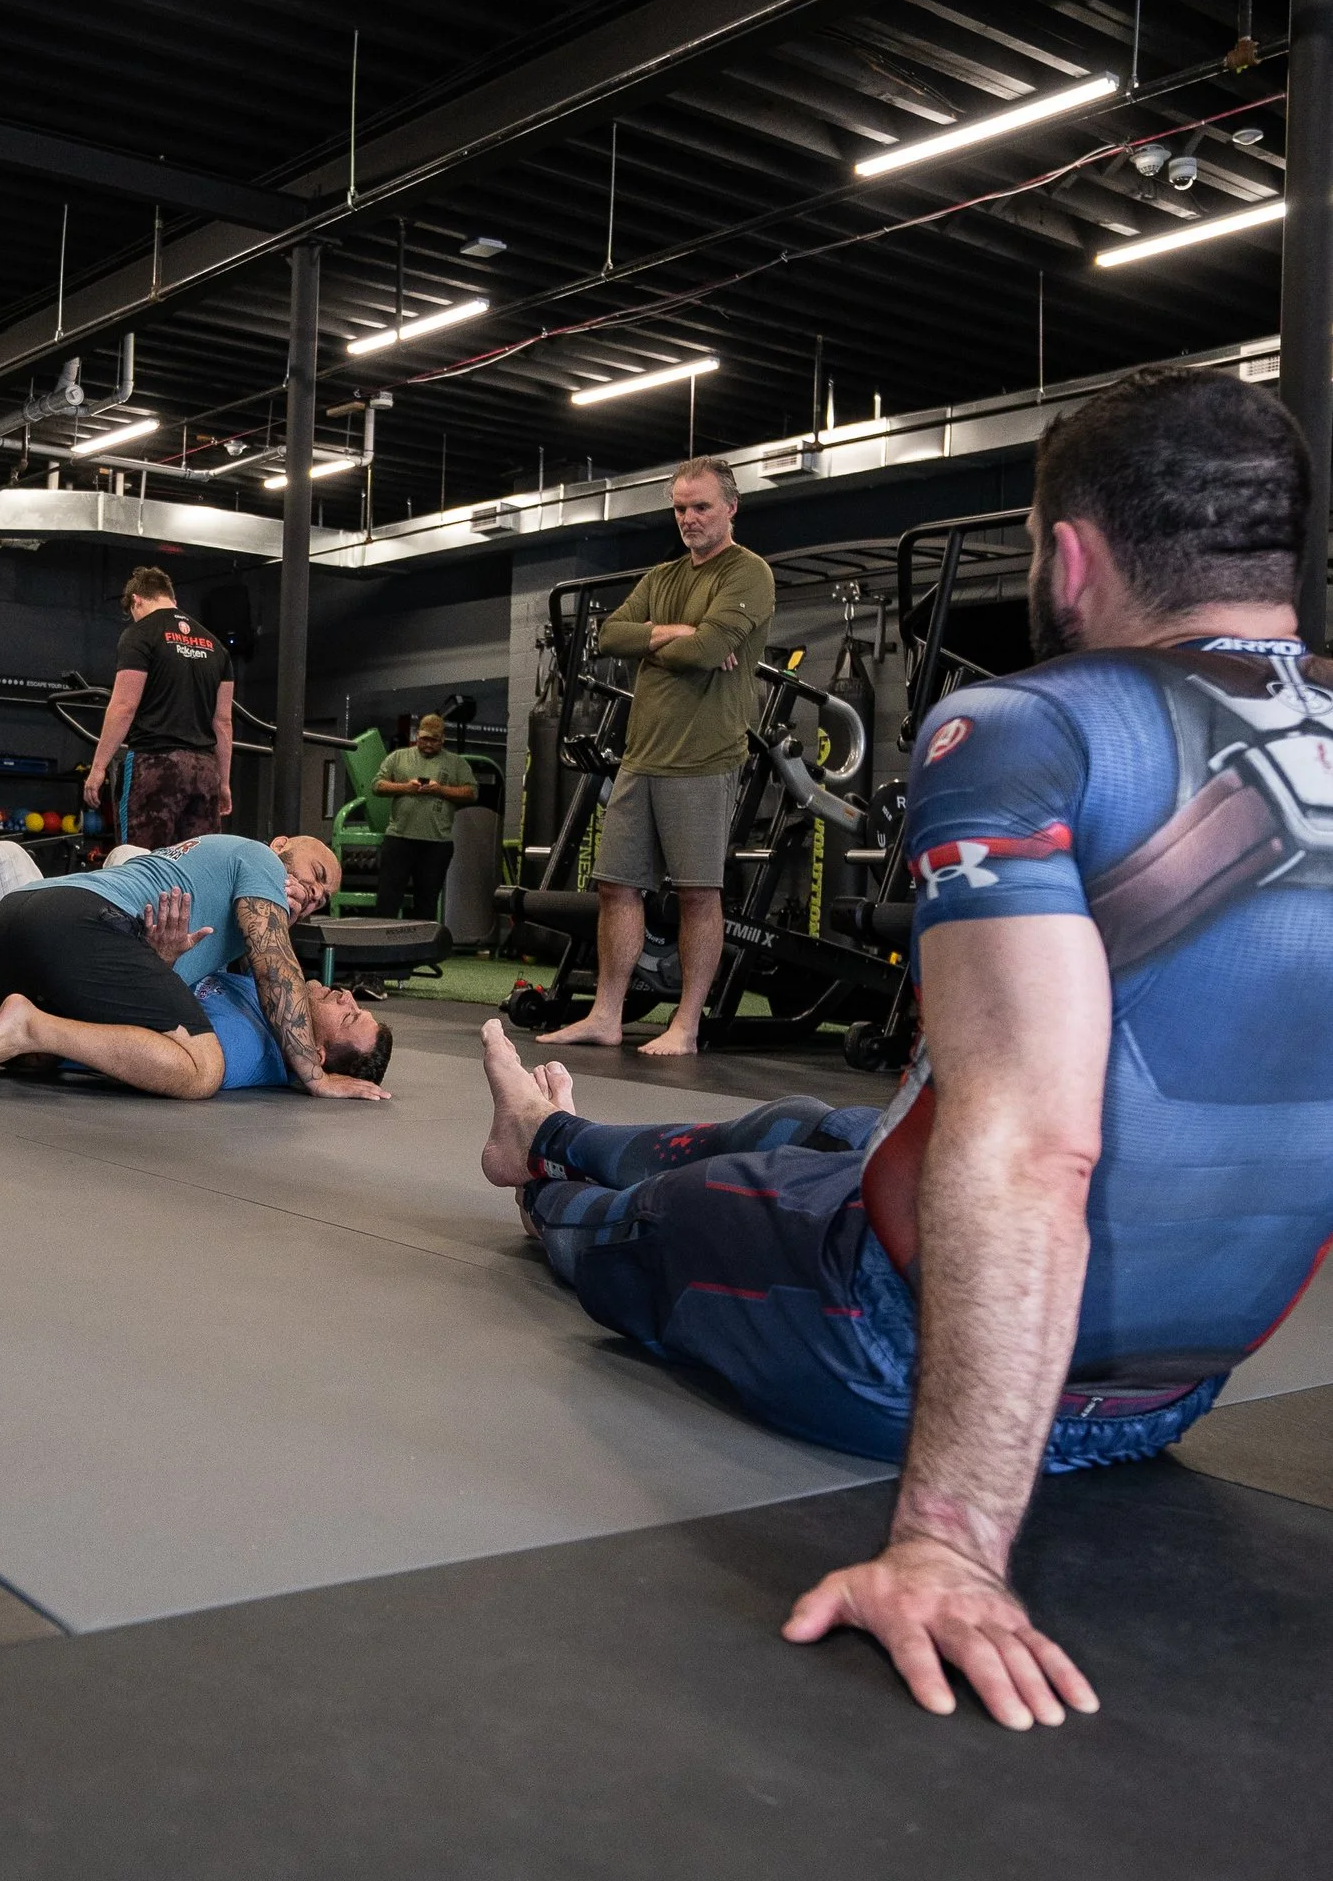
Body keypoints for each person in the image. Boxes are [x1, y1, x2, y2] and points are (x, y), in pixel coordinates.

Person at [475, 364, 1333, 1731]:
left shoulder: (1030, 727)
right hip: (1173, 1398)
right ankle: (556, 1122)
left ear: (1066, 555)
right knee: (804, 1125)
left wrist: (951, 1540)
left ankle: (546, 1161)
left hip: (898, 1349)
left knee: (633, 1225)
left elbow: (1034, 1146)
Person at [543, 457, 774, 1063]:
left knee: (698, 892)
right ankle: (607, 1015)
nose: (689, 518)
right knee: (616, 886)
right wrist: (676, 633)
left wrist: (671, 641)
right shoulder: (664, 574)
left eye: (700, 506)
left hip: (704, 757)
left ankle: (686, 1025)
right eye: (679, 507)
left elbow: (709, 652)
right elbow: (610, 636)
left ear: (730, 507)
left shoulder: (749, 574)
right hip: (640, 757)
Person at [0, 830, 388, 1101]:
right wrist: (315, 1078)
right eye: (316, 875)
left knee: (37, 1064)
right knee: (203, 1070)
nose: (314, 894)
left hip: (18, 922)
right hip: (78, 919)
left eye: (323, 899)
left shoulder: (223, 912)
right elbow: (276, 965)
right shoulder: (261, 860)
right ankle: (24, 1024)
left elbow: (138, 1007)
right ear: (281, 843)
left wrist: (163, 962)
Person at [82, 564, 235, 845]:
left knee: (140, 864)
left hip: (155, 766)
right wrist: (223, 782)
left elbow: (124, 706)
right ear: (173, 600)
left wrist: (98, 767)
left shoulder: (140, 634)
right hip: (204, 772)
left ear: (136, 601)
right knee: (195, 866)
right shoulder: (216, 647)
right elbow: (223, 722)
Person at [370, 710, 478, 923]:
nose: (429, 744)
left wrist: (441, 790)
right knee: (388, 899)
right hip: (399, 839)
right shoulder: (398, 757)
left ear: (443, 739)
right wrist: (406, 788)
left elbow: (471, 792)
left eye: (434, 740)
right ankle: (379, 945)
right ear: (417, 736)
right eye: (424, 739)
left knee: (426, 901)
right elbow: (377, 785)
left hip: (436, 843)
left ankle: (421, 949)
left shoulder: (456, 764)